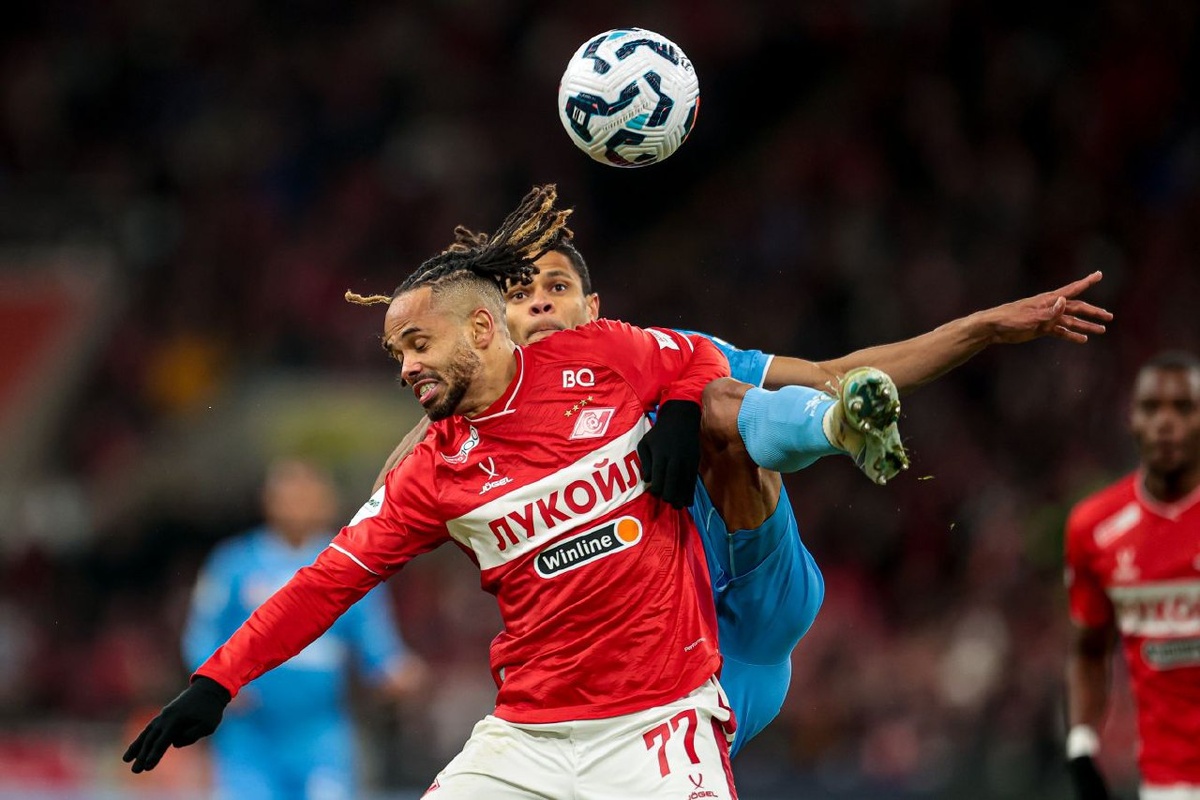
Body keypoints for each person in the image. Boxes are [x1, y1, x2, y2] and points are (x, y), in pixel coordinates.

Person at [123, 185, 894, 798]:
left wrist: (685, 409)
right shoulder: (431, 472)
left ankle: (838, 425)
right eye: (395, 353)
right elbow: (326, 582)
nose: (405, 367)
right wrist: (217, 680)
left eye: (418, 343)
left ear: (482, 330)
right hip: (526, 739)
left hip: (659, 725)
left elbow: (696, 355)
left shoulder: (599, 356)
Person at [365, 197, 1112, 756]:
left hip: (754, 593)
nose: (538, 300)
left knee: (715, 398)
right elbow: (392, 499)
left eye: (556, 287)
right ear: (494, 328)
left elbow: (833, 369)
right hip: (669, 661)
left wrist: (979, 327)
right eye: (520, 294)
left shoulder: (665, 352)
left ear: (593, 306)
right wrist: (441, 415)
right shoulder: (479, 429)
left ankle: (840, 427)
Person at [182, 457, 426, 800]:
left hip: (320, 732)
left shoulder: (353, 563)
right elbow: (201, 632)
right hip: (251, 734)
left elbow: (377, 643)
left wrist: (395, 672)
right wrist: (211, 679)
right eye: (288, 493)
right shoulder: (234, 563)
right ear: (268, 500)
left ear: (326, 502)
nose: (297, 503)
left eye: (306, 494)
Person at [1065, 351, 1200, 800]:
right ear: (1132, 420)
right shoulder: (1095, 528)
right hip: (1166, 785)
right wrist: (1081, 746)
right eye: (1151, 408)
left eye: (1183, 408)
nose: (1166, 423)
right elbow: (1089, 650)